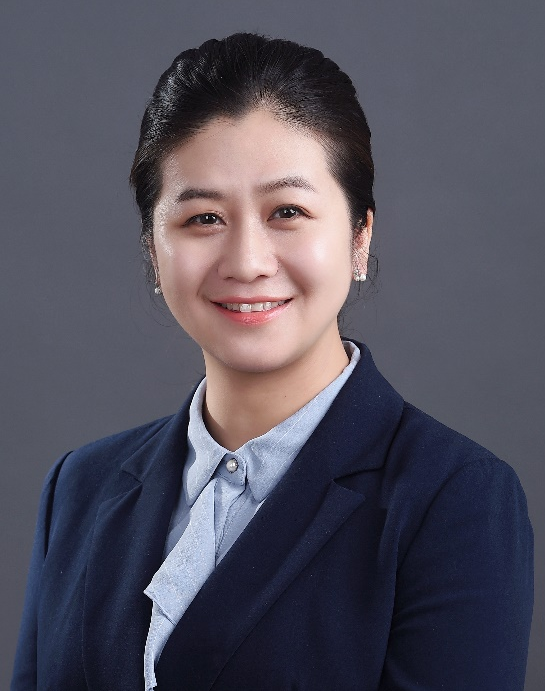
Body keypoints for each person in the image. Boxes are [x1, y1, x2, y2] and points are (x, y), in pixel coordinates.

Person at [11, 33, 533, 691]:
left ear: (359, 235)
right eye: (203, 218)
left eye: (287, 211)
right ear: (152, 248)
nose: (247, 261)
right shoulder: (80, 488)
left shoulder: (453, 499)